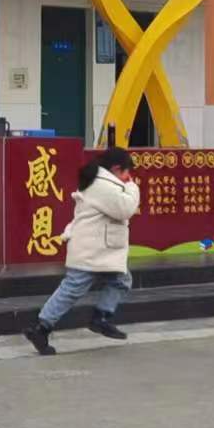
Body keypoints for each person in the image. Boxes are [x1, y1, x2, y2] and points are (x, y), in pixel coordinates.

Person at [24, 147, 140, 356]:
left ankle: (100, 317)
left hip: (98, 249)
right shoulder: (102, 185)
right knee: (73, 289)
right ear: (116, 169)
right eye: (126, 172)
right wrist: (133, 187)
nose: (128, 177)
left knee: (121, 280)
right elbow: (125, 209)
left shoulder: (99, 182)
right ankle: (42, 328)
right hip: (92, 250)